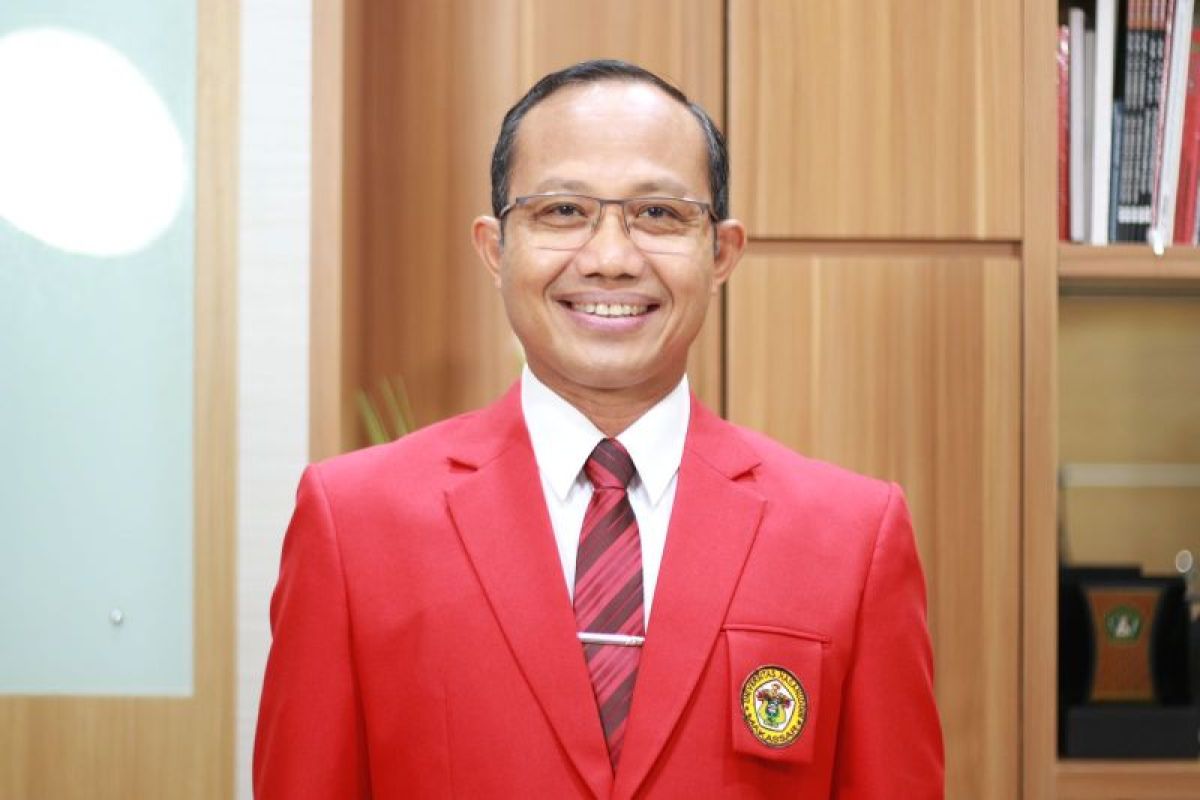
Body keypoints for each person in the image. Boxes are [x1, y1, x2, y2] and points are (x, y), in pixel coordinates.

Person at [254, 59, 943, 799]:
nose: (611, 259)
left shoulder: (852, 539)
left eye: (659, 214)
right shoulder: (354, 525)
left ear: (721, 253)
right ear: (495, 249)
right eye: (562, 210)